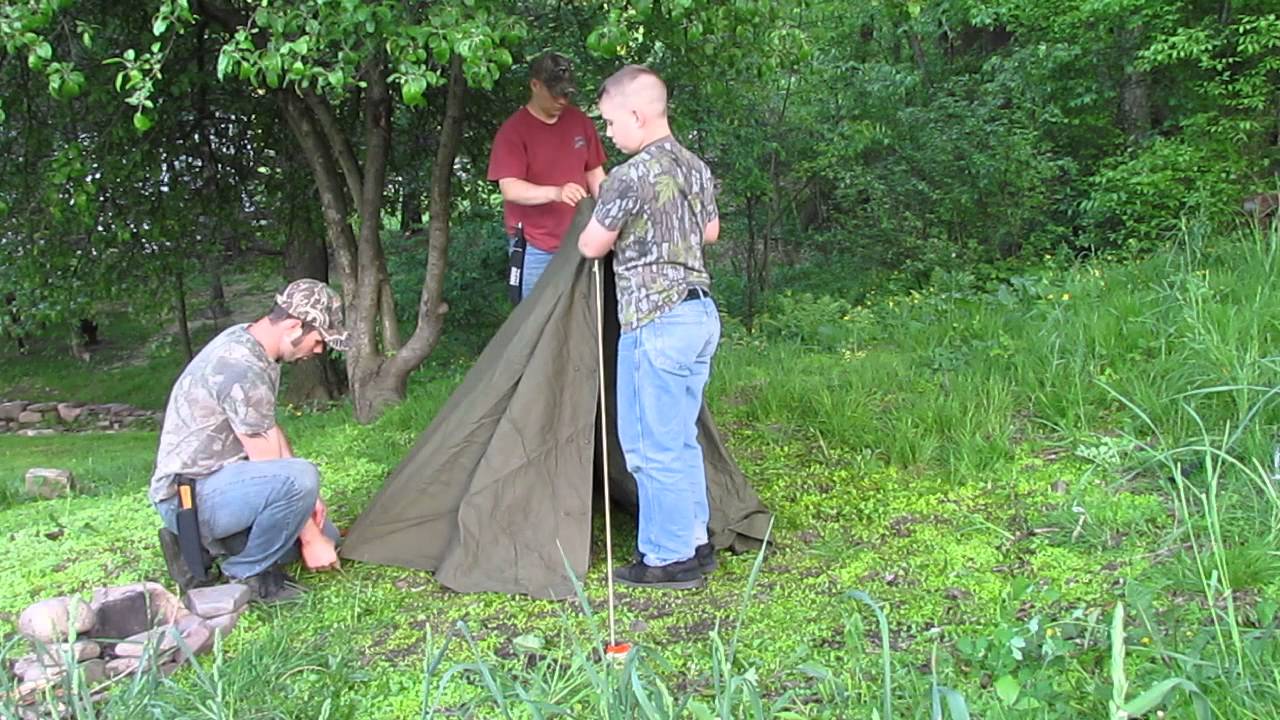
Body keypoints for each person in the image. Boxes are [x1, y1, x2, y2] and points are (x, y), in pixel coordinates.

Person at [578, 66, 721, 590]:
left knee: (648, 446)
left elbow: (591, 244)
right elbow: (710, 232)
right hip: (699, 314)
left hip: (655, 320)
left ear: (637, 114)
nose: (609, 133)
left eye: (611, 121)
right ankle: (695, 542)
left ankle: (668, 556)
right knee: (680, 440)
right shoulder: (696, 167)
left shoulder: (629, 176)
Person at [150, 279, 346, 603]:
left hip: (221, 483)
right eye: (319, 340)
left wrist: (308, 504)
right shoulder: (241, 367)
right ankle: (247, 574)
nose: (319, 350)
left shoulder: (253, 342)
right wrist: (310, 536)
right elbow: (269, 464)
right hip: (186, 497)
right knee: (302, 485)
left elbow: (267, 428)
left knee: (327, 534)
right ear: (294, 326)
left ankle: (196, 546)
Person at [488, 52, 607, 299]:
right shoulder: (513, 131)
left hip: (582, 240)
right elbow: (510, 188)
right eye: (555, 93)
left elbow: (595, 173)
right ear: (535, 85)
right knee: (535, 317)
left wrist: (610, 214)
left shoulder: (580, 122)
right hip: (535, 248)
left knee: (582, 313)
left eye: (567, 93)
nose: (562, 100)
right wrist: (556, 192)